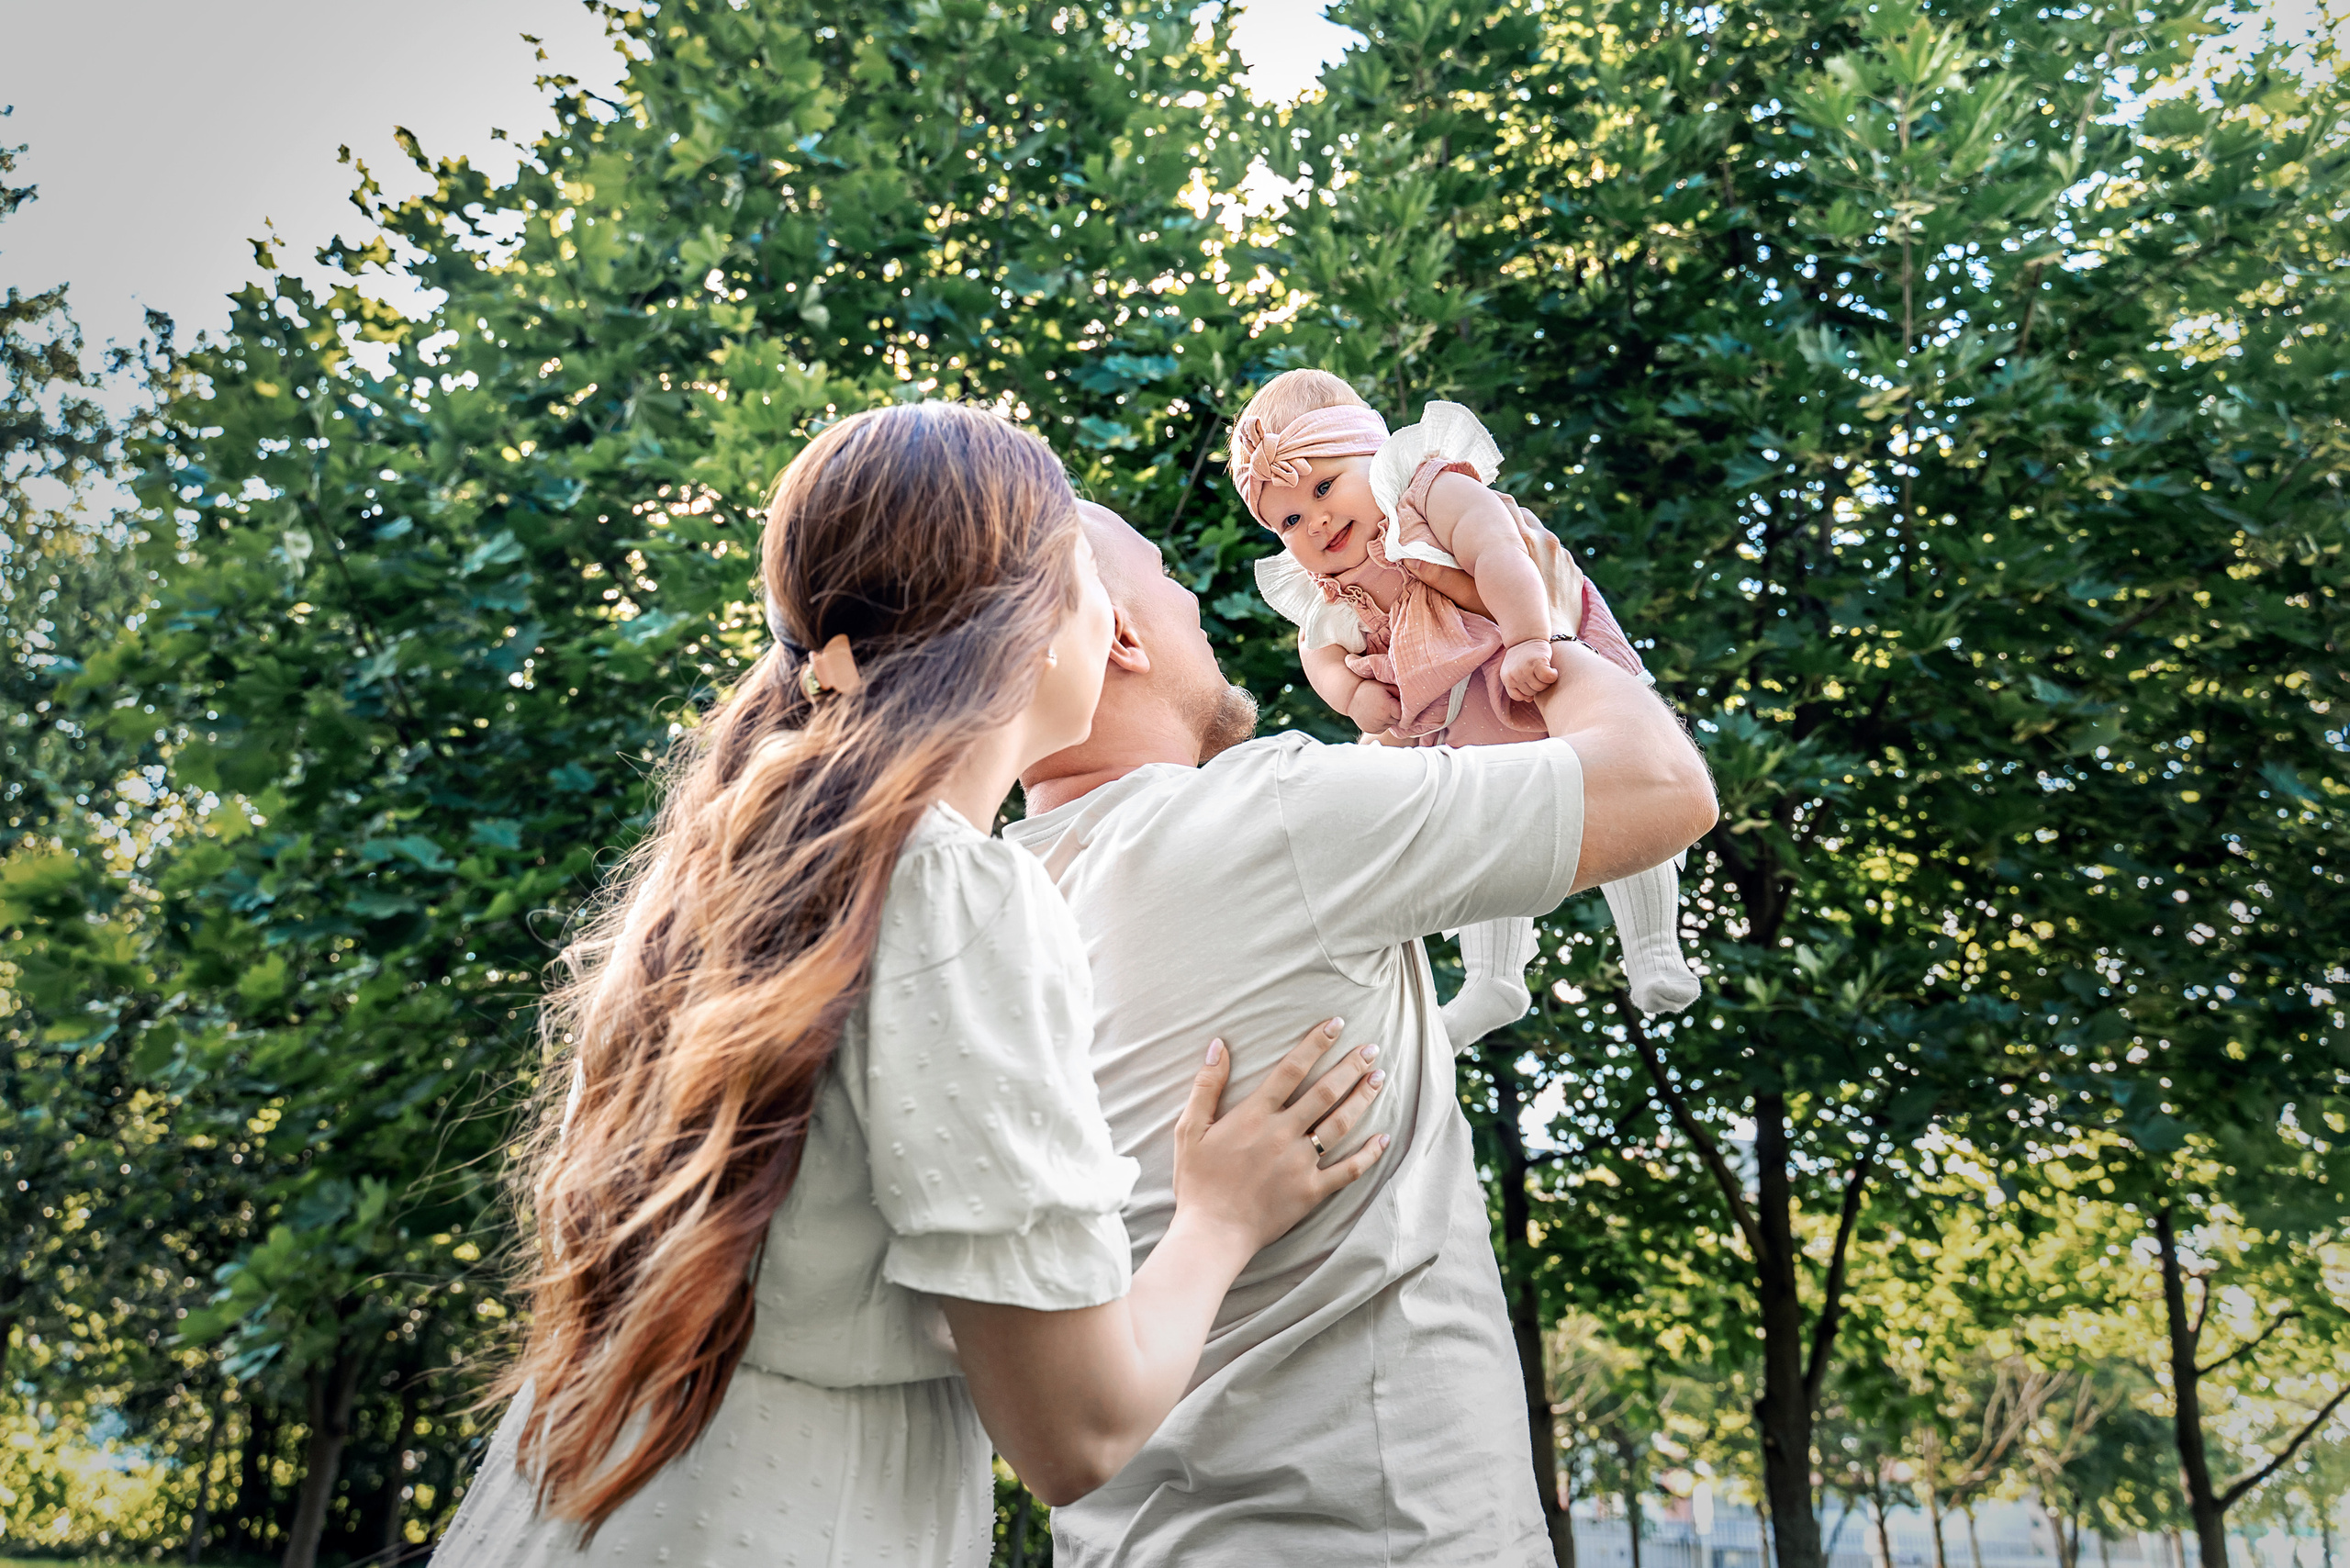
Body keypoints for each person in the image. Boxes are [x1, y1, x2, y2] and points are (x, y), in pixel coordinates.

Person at [437, 403, 1388, 1568]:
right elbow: (1073, 1429)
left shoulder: (733, 884)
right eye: (1089, 574)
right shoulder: (954, 893)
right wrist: (1219, 1217)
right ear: (1038, 621)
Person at [1004, 497, 1718, 1565]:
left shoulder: (992, 920)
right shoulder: (1270, 815)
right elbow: (1662, 785)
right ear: (1120, 631)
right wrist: (1524, 611)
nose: (1194, 596)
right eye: (1162, 574)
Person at [1232, 367, 1699, 1028]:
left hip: (1532, 653)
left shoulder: (1425, 492)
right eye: (1290, 518)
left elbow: (1499, 551)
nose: (1317, 520)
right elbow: (1319, 651)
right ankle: (1493, 979)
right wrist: (1354, 697)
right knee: (1482, 824)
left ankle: (1654, 947)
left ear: (1373, 453)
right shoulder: (1331, 583)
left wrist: (1530, 639)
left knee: (1626, 783)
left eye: (1326, 485)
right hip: (1462, 714)